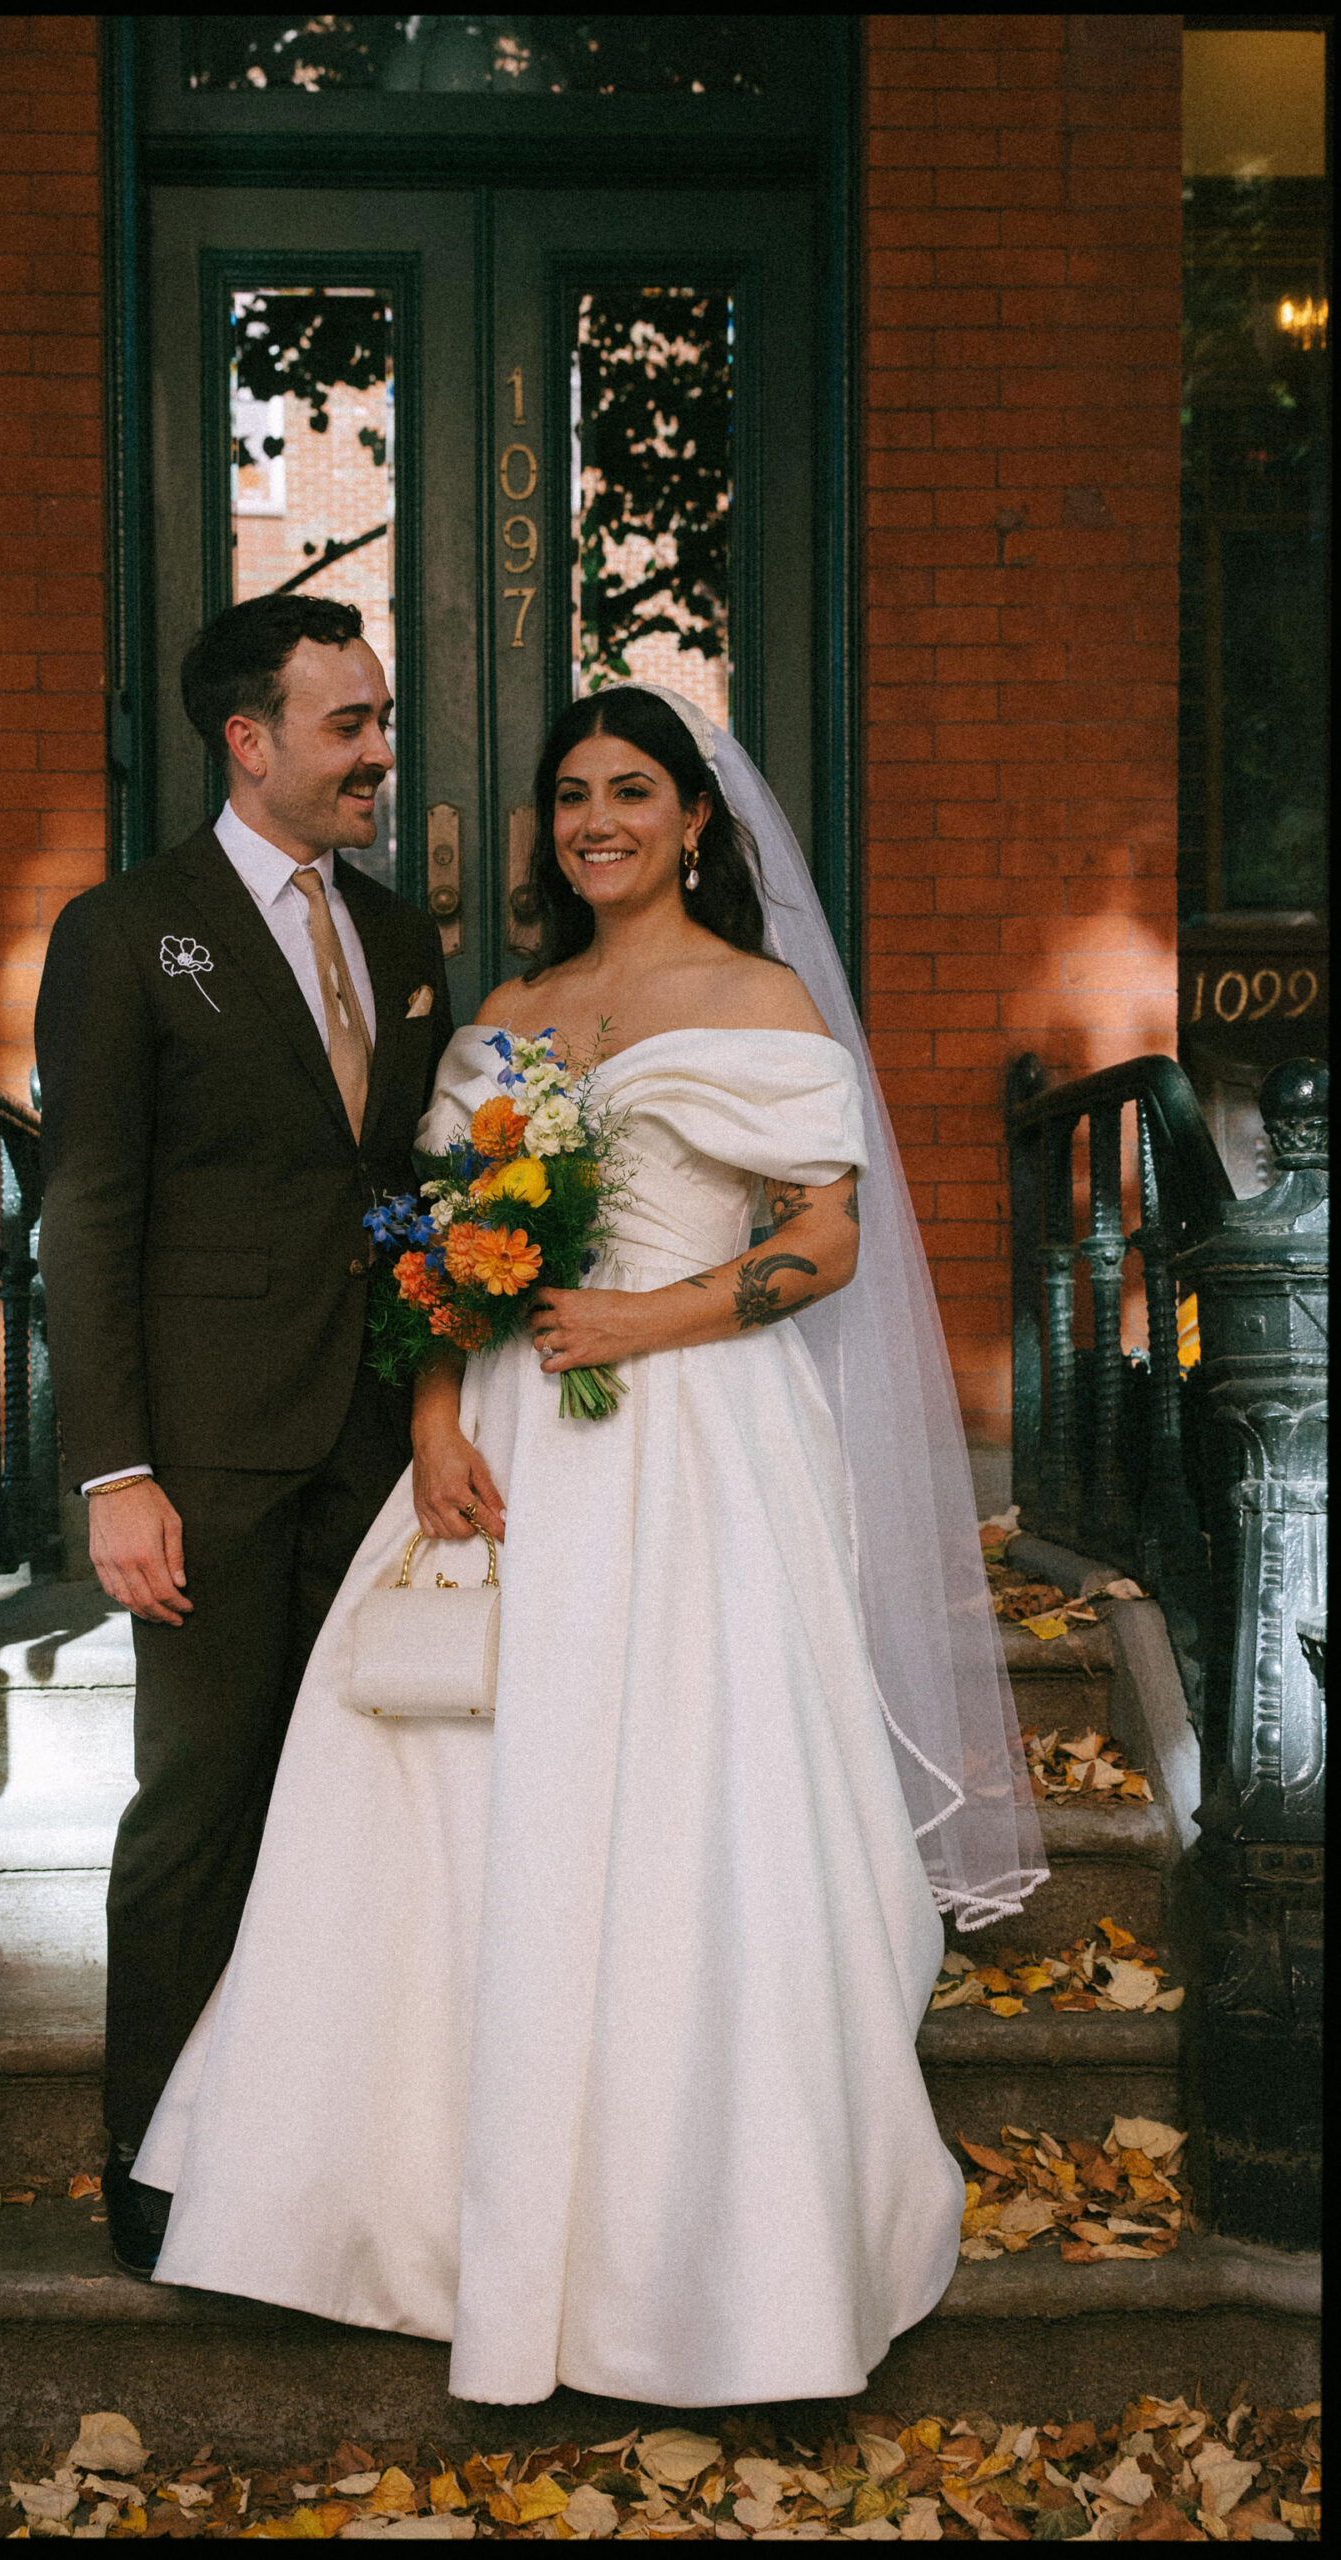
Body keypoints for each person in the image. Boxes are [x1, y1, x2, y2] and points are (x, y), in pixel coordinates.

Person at [133, 685, 1047, 2404]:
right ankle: (388, 2213)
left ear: (698, 819)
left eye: (633, 791)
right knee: (450, 1798)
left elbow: (827, 1244)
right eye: (570, 796)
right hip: (501, 1440)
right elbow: (435, 1246)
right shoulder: (512, 1010)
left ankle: (700, 2244)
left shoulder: (758, 1000)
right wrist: (430, 1421)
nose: (595, 821)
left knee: (682, 1795)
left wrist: (649, 1320)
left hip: (690, 1432)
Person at [33, 592, 455, 2275]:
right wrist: (115, 1471)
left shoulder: (405, 939)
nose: (378, 751)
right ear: (249, 739)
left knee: (358, 1809)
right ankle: (151, 2173)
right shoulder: (127, 931)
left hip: (377, 1445)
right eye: (348, 725)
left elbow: (415, 1186)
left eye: (378, 717)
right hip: (204, 1457)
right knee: (201, 1803)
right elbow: (90, 1210)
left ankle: (315, 2161)